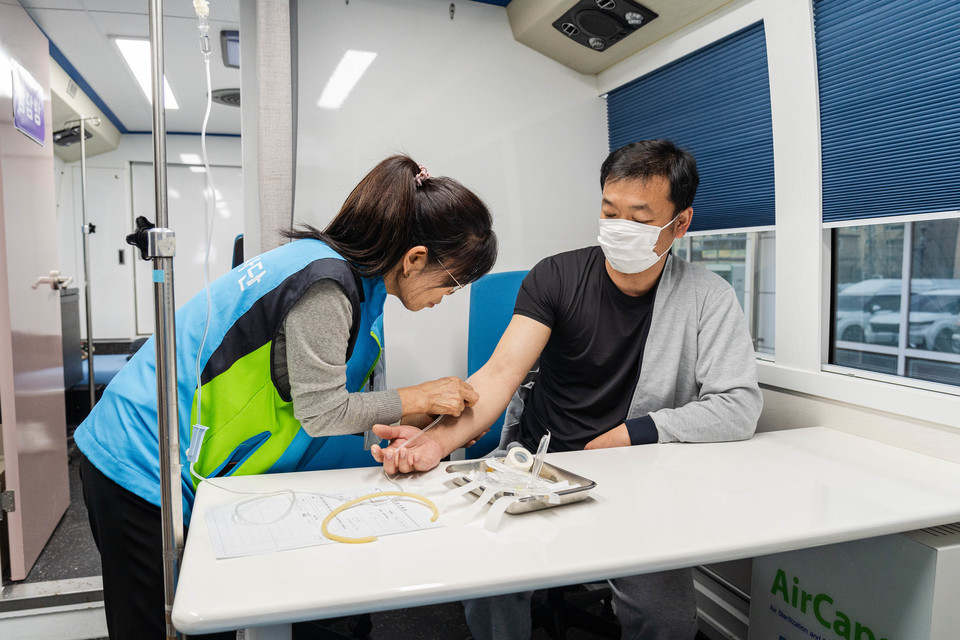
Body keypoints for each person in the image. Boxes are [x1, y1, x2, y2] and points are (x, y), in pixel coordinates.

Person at [74, 154, 498, 639]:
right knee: (159, 626)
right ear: (415, 258)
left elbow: (305, 396)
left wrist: (392, 427)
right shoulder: (327, 286)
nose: (450, 295)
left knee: (211, 619)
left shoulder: (356, 285)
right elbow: (321, 410)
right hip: (140, 458)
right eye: (455, 281)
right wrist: (418, 398)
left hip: (192, 466)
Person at [372, 140, 762, 639]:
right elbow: (497, 377)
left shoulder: (708, 297)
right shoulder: (555, 277)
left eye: (640, 218)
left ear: (680, 224)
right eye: (609, 211)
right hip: (538, 466)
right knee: (492, 583)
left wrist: (633, 434)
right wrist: (435, 442)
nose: (619, 228)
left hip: (635, 475)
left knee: (665, 617)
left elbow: (738, 406)